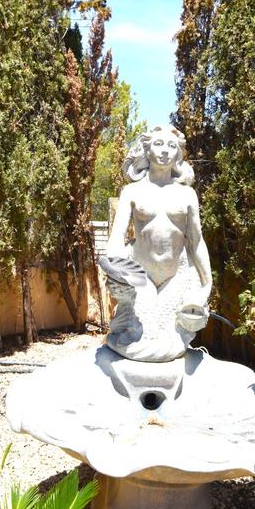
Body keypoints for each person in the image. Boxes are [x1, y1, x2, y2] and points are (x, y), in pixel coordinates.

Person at [102, 125, 212, 362]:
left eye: (171, 146)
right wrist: (116, 269)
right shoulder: (131, 191)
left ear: (177, 154)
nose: (164, 151)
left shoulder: (187, 194)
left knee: (170, 341)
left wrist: (206, 282)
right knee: (142, 338)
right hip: (141, 276)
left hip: (177, 275)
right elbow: (117, 236)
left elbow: (196, 242)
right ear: (147, 150)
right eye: (158, 144)